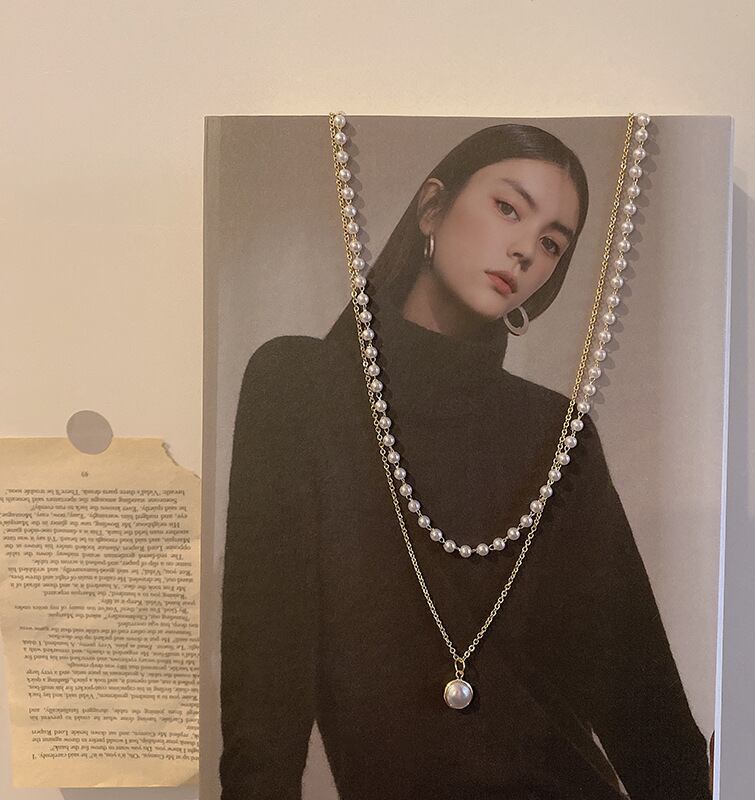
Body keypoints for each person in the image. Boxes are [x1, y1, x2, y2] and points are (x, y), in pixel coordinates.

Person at [219, 123, 713, 799]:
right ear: (432, 208)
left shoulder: (555, 432)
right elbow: (264, 697)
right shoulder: (298, 387)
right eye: (508, 208)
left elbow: (643, 703)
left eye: (552, 243)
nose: (525, 250)